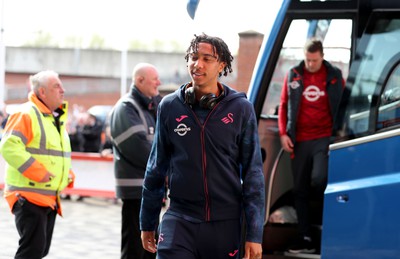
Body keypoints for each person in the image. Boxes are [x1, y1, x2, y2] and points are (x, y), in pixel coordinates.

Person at [140, 33, 265, 259]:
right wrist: (147, 221)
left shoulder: (241, 109)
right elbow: (155, 167)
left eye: (207, 59)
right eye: (194, 57)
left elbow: (253, 174)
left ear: (222, 65)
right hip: (179, 218)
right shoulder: (169, 106)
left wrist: (255, 234)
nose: (198, 64)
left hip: (224, 224)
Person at [278, 38, 344, 254]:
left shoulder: (334, 75)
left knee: (319, 179)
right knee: (299, 189)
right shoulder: (294, 74)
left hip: (325, 137)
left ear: (322, 57)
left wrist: (340, 134)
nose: (310, 64)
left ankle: (326, 227)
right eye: (307, 60)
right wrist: (283, 134)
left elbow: (343, 106)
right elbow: (284, 105)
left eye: (314, 60)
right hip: (299, 140)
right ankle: (305, 237)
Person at [0, 70, 75, 258]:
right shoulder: (26, 113)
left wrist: (66, 175)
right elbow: (9, 147)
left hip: (47, 197)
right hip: (29, 195)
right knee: (31, 251)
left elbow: (52, 154)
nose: (62, 90)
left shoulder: (53, 118)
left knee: (39, 250)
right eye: (56, 86)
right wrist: (38, 172)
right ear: (42, 92)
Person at [110, 62, 162, 259]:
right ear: (140, 80)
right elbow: (139, 148)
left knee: (149, 249)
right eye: (154, 78)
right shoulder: (126, 108)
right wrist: (165, 169)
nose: (159, 82)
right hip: (136, 191)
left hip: (149, 191)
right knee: (134, 249)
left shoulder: (151, 106)